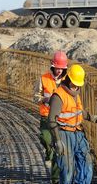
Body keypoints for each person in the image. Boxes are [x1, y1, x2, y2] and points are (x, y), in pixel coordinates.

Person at [48, 64, 97, 184]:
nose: (76, 86)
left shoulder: (75, 94)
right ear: (68, 79)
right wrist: (57, 140)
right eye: (74, 83)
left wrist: (92, 117)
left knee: (86, 166)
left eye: (78, 84)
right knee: (67, 171)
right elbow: (51, 120)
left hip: (78, 133)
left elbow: (78, 111)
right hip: (64, 135)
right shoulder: (58, 96)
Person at [33, 51, 68, 182]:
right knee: (45, 139)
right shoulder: (43, 79)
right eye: (57, 68)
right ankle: (48, 152)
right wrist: (45, 99)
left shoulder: (66, 81)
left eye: (61, 69)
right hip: (46, 117)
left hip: (61, 119)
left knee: (58, 150)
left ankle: (55, 179)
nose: (59, 71)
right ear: (53, 66)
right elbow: (35, 96)